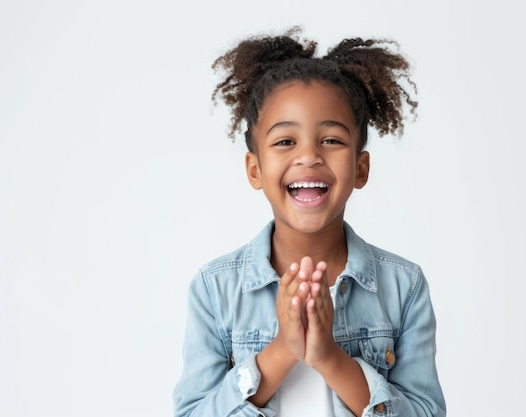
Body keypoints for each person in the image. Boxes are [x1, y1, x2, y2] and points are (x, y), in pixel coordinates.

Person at [173, 27, 446, 417]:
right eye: (285, 142)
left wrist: (331, 359)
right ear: (255, 169)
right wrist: (283, 350)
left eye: (331, 140)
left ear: (360, 168)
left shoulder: (404, 287)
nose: (309, 156)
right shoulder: (214, 290)